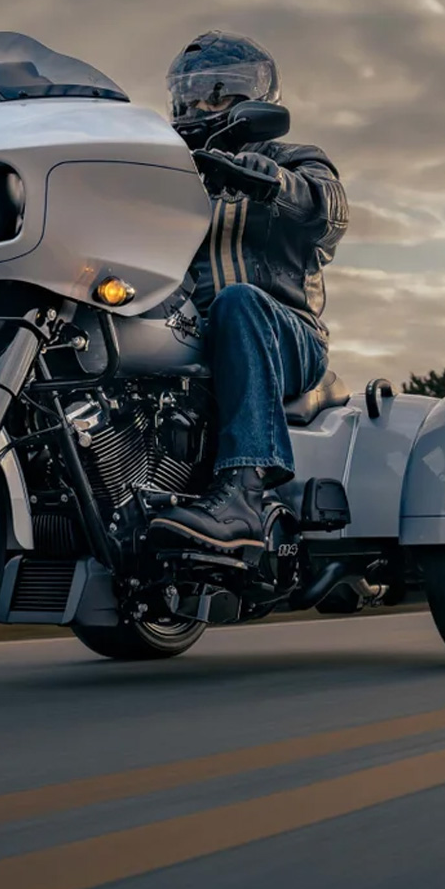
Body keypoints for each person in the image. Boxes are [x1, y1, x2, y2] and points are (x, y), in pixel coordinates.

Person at [150, 31, 349, 551]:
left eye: (218, 92)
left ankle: (244, 492)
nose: (201, 105)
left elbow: (329, 210)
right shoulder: (167, 177)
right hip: (194, 336)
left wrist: (275, 182)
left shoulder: (295, 157)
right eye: (190, 94)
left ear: (257, 97)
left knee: (238, 300)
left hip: (289, 336)